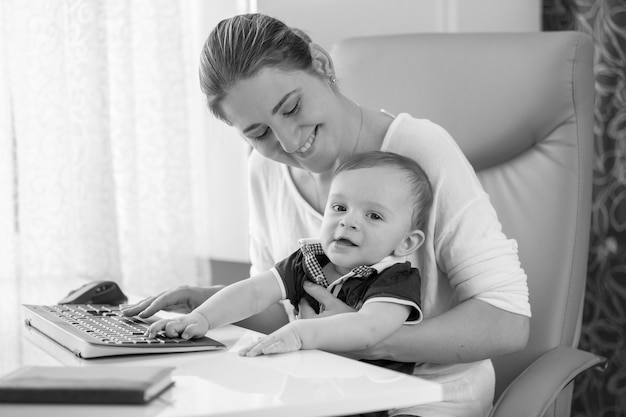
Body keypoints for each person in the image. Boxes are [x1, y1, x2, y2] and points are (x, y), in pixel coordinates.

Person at [123, 13, 531, 417]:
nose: (289, 140)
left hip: (427, 398)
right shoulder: (264, 170)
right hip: (323, 393)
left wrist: (369, 338)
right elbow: (284, 307)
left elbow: (508, 321)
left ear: (321, 64)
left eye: (292, 107)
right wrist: (207, 308)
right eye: (258, 133)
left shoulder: (420, 150)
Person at [145, 151, 432, 377]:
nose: (348, 221)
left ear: (405, 243)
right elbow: (255, 292)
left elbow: (369, 329)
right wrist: (203, 318)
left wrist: (299, 332)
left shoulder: (395, 279)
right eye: (340, 207)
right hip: (303, 385)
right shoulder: (306, 260)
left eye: (374, 216)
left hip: (370, 403)